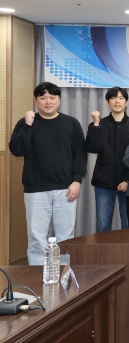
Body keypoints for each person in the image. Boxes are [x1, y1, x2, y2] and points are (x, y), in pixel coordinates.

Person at [9, 82, 86, 265]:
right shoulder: (25, 123)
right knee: (36, 237)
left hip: (66, 189)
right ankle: (37, 276)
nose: (48, 102)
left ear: (59, 100)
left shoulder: (72, 123)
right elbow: (17, 150)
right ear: (36, 101)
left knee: (66, 237)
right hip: (35, 190)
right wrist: (28, 125)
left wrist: (77, 181)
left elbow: (80, 155)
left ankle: (63, 274)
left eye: (52, 97)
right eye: (43, 98)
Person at [85, 86, 129, 232]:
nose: (117, 101)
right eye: (113, 98)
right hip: (104, 182)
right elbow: (92, 148)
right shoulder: (98, 124)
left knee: (128, 225)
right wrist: (95, 124)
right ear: (107, 102)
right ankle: (103, 249)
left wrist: (128, 180)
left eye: (121, 98)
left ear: (127, 102)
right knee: (103, 224)